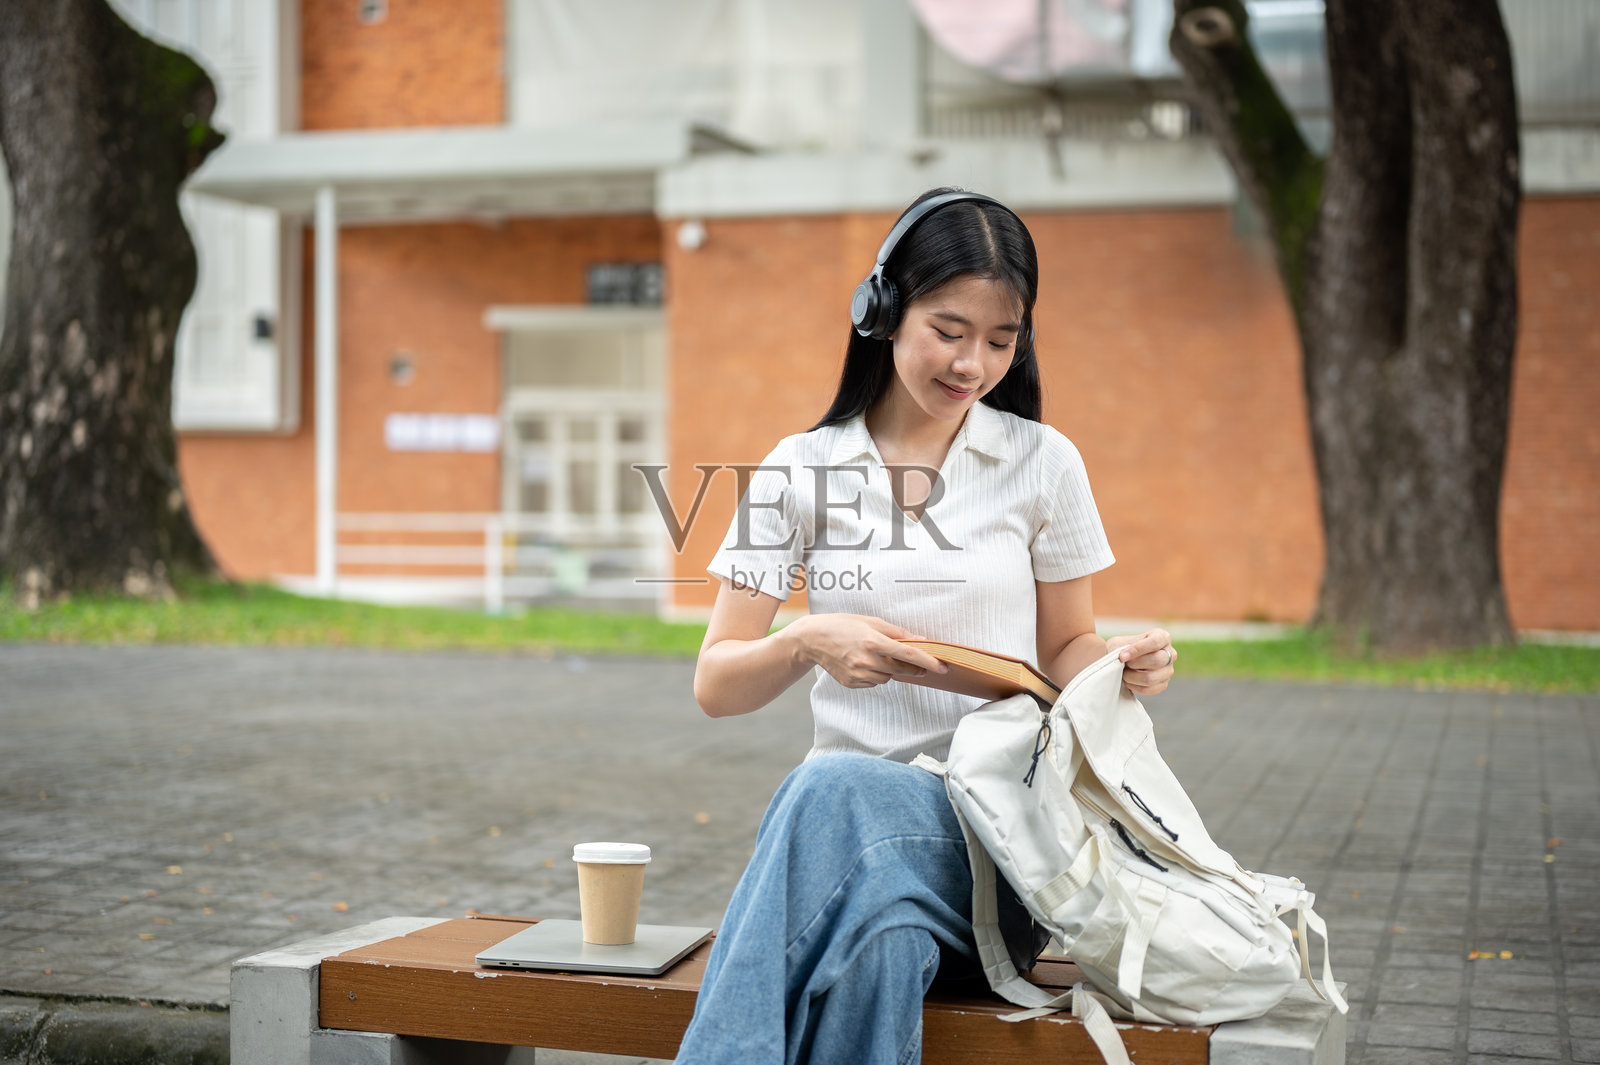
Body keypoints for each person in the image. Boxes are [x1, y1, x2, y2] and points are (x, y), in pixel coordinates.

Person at [673, 188, 1178, 1065]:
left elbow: (1068, 645)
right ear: (883, 310)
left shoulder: (1042, 462)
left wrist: (1123, 662)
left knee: (827, 789)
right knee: (876, 948)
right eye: (949, 330)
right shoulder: (800, 468)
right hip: (841, 855)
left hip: (998, 839)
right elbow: (716, 682)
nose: (972, 363)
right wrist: (805, 639)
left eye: (1000, 340)